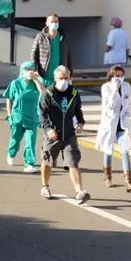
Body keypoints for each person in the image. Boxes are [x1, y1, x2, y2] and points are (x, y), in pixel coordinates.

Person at [38, 65, 91, 204]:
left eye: (66, 78)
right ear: (55, 79)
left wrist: (80, 122)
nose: (64, 81)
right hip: (52, 134)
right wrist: (48, 129)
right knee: (48, 160)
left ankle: (79, 191)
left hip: (69, 134)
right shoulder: (48, 93)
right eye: (61, 78)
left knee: (73, 162)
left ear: (70, 78)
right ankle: (45, 187)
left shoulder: (73, 92)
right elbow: (42, 114)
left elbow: (78, 110)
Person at [96, 65, 131, 191]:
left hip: (122, 125)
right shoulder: (106, 87)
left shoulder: (127, 86)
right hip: (110, 124)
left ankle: (128, 181)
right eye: (116, 76)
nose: (119, 78)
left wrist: (128, 114)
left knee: (125, 151)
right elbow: (110, 105)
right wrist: (114, 89)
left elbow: (129, 102)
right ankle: (107, 178)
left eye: (121, 75)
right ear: (111, 76)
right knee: (108, 151)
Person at [3, 61, 42, 173]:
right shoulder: (15, 83)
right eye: (28, 70)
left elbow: (43, 92)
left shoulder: (35, 83)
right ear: (23, 71)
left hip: (32, 118)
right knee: (15, 139)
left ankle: (29, 164)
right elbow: (9, 99)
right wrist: (9, 115)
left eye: (32, 69)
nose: (31, 71)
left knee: (30, 141)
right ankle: (11, 154)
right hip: (17, 117)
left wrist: (35, 79)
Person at [31, 13, 74, 84]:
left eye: (56, 21)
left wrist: (71, 74)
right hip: (44, 76)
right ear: (47, 23)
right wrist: (34, 69)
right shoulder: (40, 37)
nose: (54, 23)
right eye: (51, 22)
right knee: (44, 94)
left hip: (60, 76)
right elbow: (34, 54)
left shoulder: (64, 37)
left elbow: (69, 56)